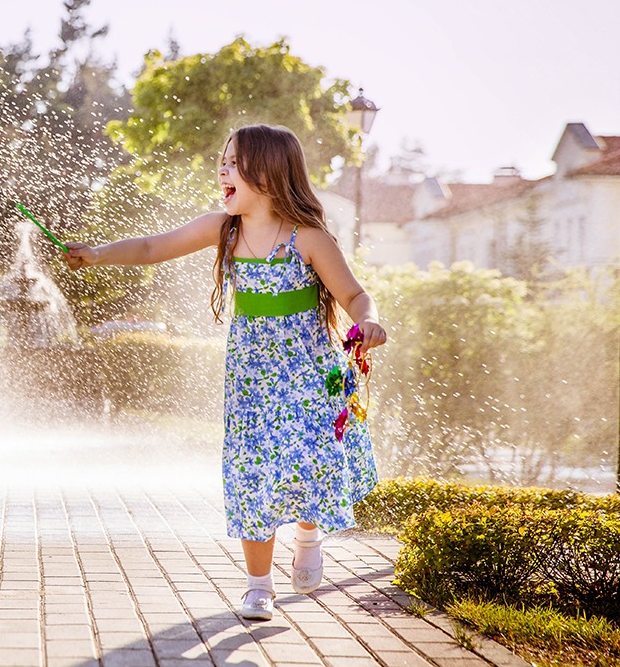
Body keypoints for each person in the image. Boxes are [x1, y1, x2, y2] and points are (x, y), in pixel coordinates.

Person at [63, 123, 386, 622]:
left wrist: (369, 320)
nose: (222, 169)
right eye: (223, 160)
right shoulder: (224, 229)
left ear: (269, 174)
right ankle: (260, 587)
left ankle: (307, 534)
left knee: (306, 463)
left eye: (234, 163)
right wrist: (100, 254)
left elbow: (354, 295)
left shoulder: (309, 238)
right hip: (251, 382)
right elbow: (151, 248)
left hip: (308, 373)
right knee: (252, 471)